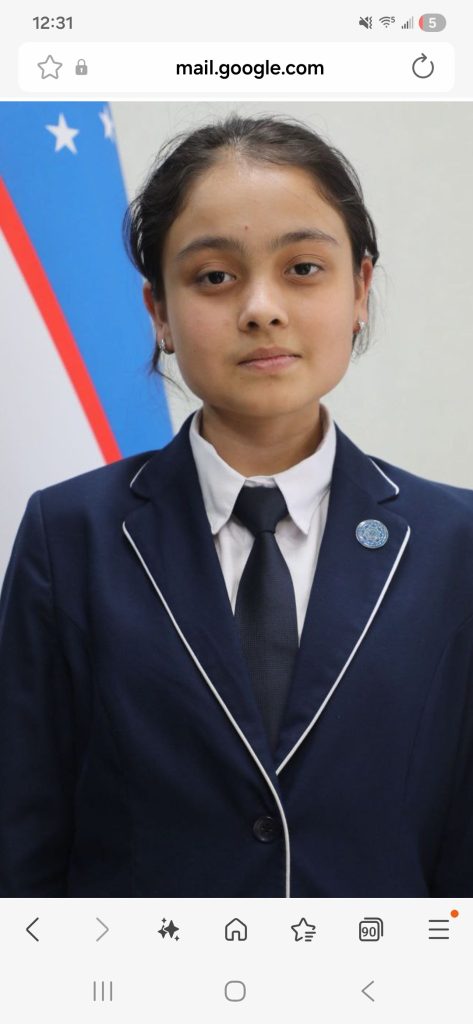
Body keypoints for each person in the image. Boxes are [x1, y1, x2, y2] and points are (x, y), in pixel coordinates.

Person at [0, 113, 472, 897]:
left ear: (358, 289)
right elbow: (23, 833)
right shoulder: (68, 535)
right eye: (214, 277)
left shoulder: (453, 543)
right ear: (158, 312)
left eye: (302, 269)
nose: (260, 307)